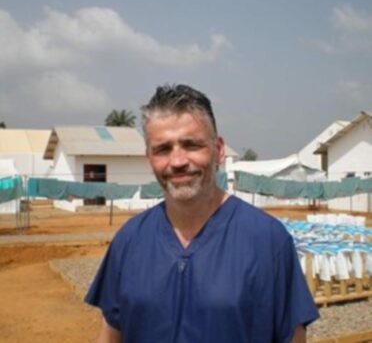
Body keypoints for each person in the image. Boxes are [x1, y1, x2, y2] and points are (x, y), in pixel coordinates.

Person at [85, 84, 319, 343]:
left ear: (218, 150)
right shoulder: (129, 241)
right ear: (149, 159)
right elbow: (111, 332)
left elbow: (294, 337)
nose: (177, 161)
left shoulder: (268, 241)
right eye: (163, 149)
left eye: (191, 145)